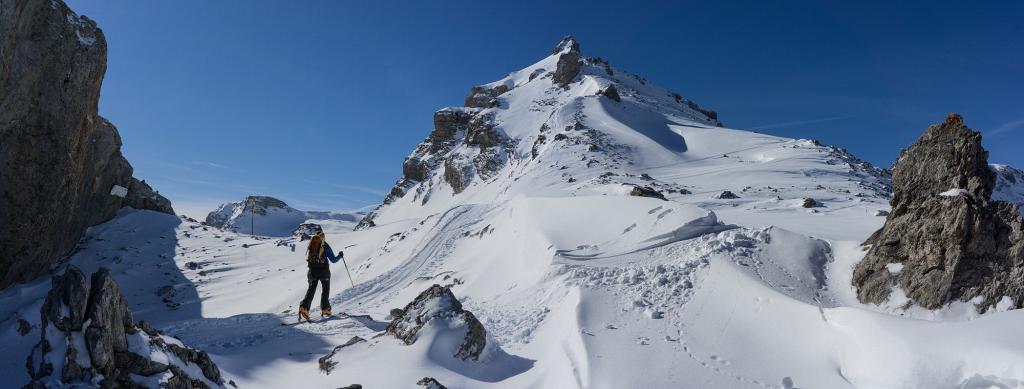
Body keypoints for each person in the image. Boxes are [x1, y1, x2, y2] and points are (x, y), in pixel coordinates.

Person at [298, 231, 343, 321]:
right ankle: (325, 309)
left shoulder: (311, 244)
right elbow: (333, 260)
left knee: (311, 290)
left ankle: (304, 308)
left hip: (312, 272)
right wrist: (340, 256)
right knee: (325, 290)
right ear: (323, 237)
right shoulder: (325, 246)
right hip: (324, 272)